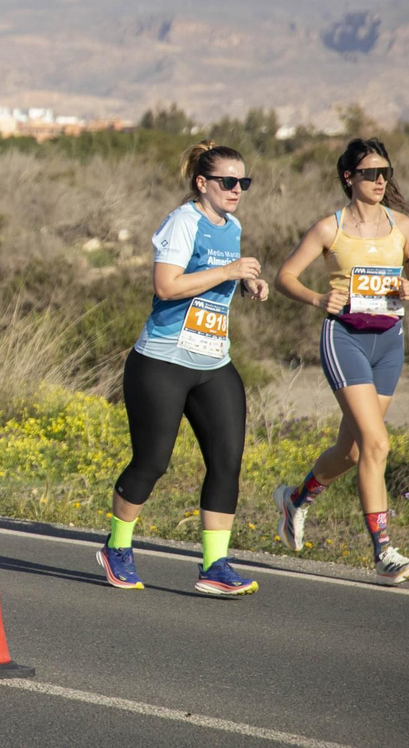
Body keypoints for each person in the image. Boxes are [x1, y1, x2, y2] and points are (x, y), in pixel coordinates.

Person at [96, 141, 269, 597]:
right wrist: (230, 270)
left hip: (213, 361)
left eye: (242, 182)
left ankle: (216, 564)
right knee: (153, 462)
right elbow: (167, 285)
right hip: (163, 361)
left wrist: (248, 281)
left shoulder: (232, 226)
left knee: (227, 461)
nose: (236, 190)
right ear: (202, 183)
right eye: (228, 182)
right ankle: (117, 548)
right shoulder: (182, 221)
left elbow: (218, 277)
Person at [273, 138, 409, 587]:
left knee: (355, 450)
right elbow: (285, 277)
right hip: (345, 340)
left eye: (386, 172)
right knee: (378, 444)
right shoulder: (330, 229)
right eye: (370, 173)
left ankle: (296, 500)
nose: (381, 180)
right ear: (349, 178)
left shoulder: (402, 226)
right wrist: (319, 297)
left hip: (389, 342)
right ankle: (384, 553)